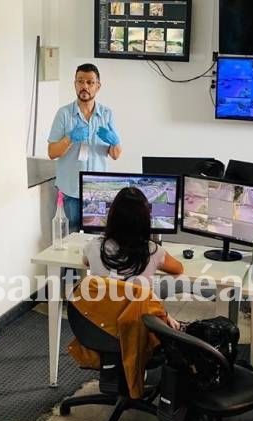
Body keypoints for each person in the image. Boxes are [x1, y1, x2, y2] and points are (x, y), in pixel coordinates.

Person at [82, 186, 183, 328]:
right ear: (145, 220)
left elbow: (85, 262)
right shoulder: (152, 251)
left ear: (112, 216)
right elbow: (178, 268)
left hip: (100, 327)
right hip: (138, 330)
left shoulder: (93, 246)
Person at [48, 63, 122, 232]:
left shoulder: (106, 114)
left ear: (98, 86)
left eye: (90, 82)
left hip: (97, 191)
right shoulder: (64, 114)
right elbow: (52, 153)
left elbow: (116, 154)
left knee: (97, 240)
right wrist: (69, 138)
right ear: (75, 84)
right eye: (80, 81)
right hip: (70, 190)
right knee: (69, 239)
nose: (85, 86)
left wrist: (114, 141)